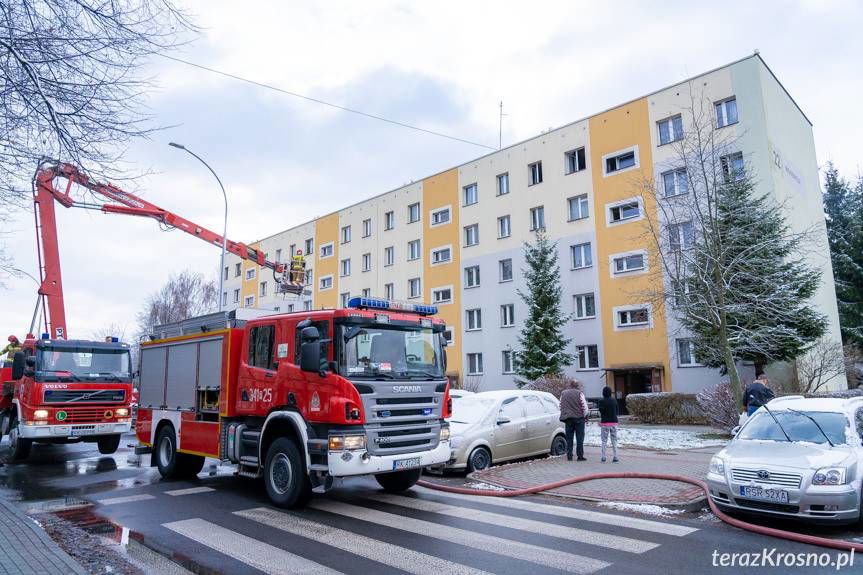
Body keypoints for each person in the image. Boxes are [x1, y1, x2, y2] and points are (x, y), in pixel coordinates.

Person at [560, 379, 589, 462]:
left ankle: (569, 456)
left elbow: (561, 405)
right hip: (579, 419)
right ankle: (580, 456)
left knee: (569, 438)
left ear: (570, 385)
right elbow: (585, 407)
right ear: (577, 386)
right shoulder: (579, 393)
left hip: (568, 419)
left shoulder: (563, 393)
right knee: (579, 438)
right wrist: (584, 416)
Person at [597, 386, 619, 463]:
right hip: (614, 423)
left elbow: (601, 411)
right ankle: (615, 457)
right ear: (610, 392)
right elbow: (617, 411)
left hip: (605, 423)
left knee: (604, 441)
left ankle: (603, 457)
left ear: (603, 393)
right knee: (614, 440)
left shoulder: (601, 401)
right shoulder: (614, 400)